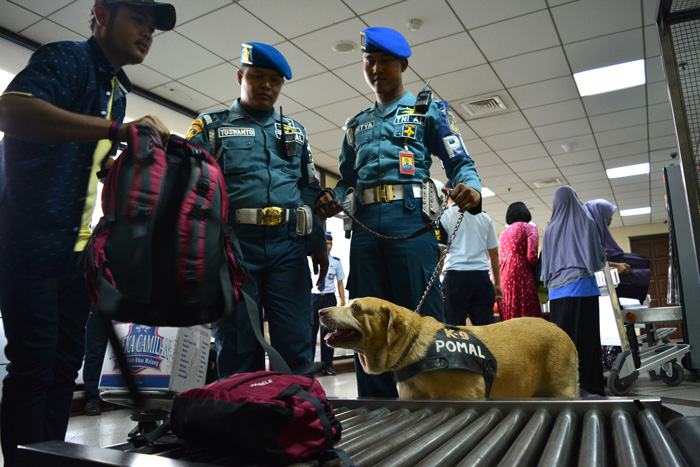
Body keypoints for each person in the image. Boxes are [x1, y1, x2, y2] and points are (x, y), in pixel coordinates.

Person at [0, 0, 175, 463]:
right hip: (29, 239)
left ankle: (50, 457)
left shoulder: (117, 85)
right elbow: (12, 111)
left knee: (62, 369)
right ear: (100, 13)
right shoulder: (66, 58)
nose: (147, 33)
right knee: (33, 367)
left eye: (153, 28)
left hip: (76, 253)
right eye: (138, 18)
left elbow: (86, 158)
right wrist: (116, 130)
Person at [314, 27, 482, 398]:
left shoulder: (428, 111)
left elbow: (459, 161)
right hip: (365, 230)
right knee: (364, 326)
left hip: (411, 223)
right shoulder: (356, 125)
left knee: (422, 321)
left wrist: (472, 187)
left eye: (385, 61)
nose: (376, 68)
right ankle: (376, 408)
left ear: (403, 64)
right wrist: (332, 198)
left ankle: (439, 402)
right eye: (369, 61)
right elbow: (346, 181)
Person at [186, 42, 327, 377]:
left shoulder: (295, 131)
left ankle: (297, 415)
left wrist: (318, 243)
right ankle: (242, 420)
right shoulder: (210, 127)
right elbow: (191, 193)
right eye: (258, 76)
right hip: (235, 250)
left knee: (296, 342)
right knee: (238, 344)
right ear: (240, 76)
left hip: (288, 249)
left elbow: (308, 189)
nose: (267, 85)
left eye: (275, 80)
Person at [540, 186, 607, 397]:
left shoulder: (550, 230)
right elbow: (595, 260)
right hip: (582, 290)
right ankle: (590, 386)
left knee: (564, 343)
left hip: (557, 296)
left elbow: (545, 269)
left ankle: (566, 387)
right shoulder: (585, 222)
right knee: (586, 341)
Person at [438, 181, 501, 326]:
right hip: (482, 279)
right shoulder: (485, 217)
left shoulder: (445, 216)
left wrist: (435, 285)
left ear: (450, 193)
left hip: (456, 279)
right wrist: (497, 284)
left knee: (454, 328)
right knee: (486, 328)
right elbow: (494, 254)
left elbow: (440, 254)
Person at [310, 232, 346, 376]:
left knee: (329, 334)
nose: (328, 246)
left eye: (330, 243)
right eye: (326, 243)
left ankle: (327, 366)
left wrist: (342, 301)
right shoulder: (310, 260)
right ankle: (309, 366)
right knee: (311, 334)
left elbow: (340, 282)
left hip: (329, 299)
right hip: (314, 298)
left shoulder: (336, 262)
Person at [498, 202, 542, 320]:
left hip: (503, 276)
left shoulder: (503, 233)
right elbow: (531, 256)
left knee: (509, 313)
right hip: (521, 273)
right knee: (526, 312)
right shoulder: (530, 228)